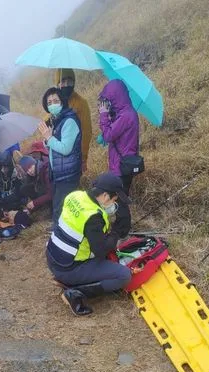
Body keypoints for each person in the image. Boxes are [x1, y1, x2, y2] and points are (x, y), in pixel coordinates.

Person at [46, 172, 132, 316]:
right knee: (124, 276)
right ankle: (75, 292)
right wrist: (116, 233)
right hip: (68, 268)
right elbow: (101, 250)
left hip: (53, 257)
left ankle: (73, 281)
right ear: (105, 196)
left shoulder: (75, 196)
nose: (114, 204)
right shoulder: (93, 217)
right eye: (114, 199)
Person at [38, 87, 82, 224]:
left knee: (61, 210)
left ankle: (59, 239)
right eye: (49, 102)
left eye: (55, 101)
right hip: (58, 172)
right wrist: (47, 140)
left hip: (67, 174)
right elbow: (53, 147)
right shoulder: (56, 120)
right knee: (60, 208)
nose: (52, 105)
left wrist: (49, 138)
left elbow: (65, 149)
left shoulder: (69, 121)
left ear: (62, 102)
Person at [98, 79, 140, 195]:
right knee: (120, 198)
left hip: (121, 166)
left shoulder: (125, 116)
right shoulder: (126, 112)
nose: (107, 103)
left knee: (120, 201)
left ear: (115, 97)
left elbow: (108, 136)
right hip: (124, 163)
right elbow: (116, 133)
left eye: (108, 100)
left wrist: (104, 115)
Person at [53, 69, 92, 173]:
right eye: (63, 81)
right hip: (57, 156)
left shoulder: (81, 103)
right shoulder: (55, 101)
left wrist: (84, 158)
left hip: (75, 156)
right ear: (57, 83)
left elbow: (86, 132)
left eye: (70, 81)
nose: (66, 84)